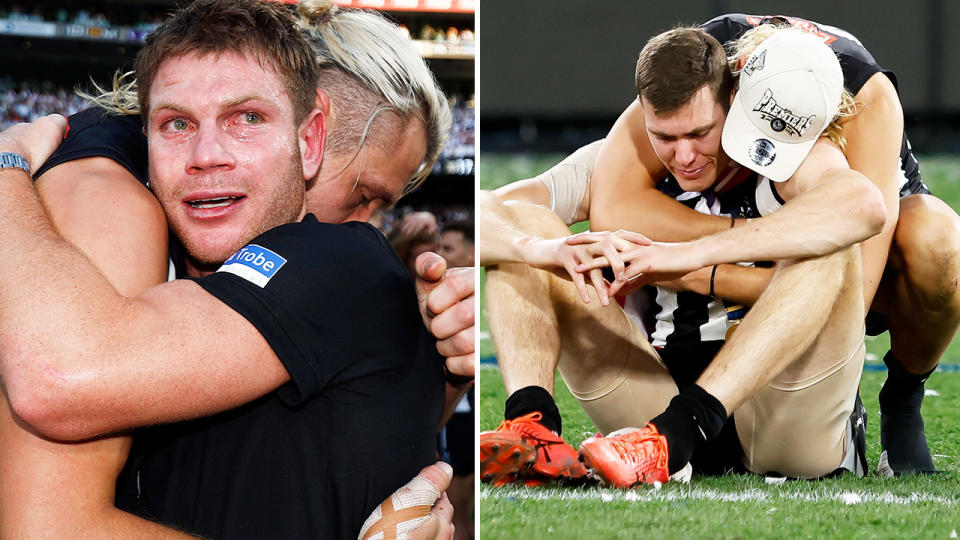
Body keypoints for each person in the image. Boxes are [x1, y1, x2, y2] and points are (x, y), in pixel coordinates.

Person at [0, 1, 460, 538]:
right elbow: (50, 495)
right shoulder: (106, 193)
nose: (366, 227)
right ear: (312, 137)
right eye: (364, 195)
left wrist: (435, 364)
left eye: (246, 119)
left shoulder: (320, 262)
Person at [480, 13, 957, 481]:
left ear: (738, 107)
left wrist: (690, 262)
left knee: (834, 247)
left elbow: (861, 213)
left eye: (700, 134)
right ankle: (530, 422)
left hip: (781, 412)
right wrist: (539, 248)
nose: (683, 155)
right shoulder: (629, 156)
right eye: (664, 136)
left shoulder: (801, 154)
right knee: (523, 229)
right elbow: (491, 210)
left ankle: (900, 397)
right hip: (654, 397)